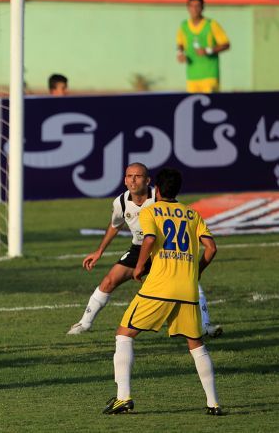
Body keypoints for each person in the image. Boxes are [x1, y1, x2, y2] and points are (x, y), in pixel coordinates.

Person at [103, 167, 222, 416]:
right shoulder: (192, 213)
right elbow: (211, 248)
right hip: (187, 288)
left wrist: (138, 267)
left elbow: (148, 239)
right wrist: (197, 270)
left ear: (156, 188)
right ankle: (213, 403)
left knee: (124, 334)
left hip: (159, 286)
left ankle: (123, 397)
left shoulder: (151, 211)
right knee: (196, 345)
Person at [68, 163, 222, 337]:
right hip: (138, 249)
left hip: (162, 248)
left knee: (190, 281)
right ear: (125, 180)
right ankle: (84, 323)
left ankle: (205, 326)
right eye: (129, 176)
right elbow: (115, 225)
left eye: (138, 176)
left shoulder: (159, 197)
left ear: (148, 181)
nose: (133, 180)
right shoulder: (120, 202)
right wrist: (99, 251)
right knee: (109, 281)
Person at [176, 0, 230, 94]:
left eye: (197, 6)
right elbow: (180, 43)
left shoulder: (211, 24)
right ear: (187, 8)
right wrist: (180, 54)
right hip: (192, 76)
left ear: (203, 7)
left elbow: (226, 44)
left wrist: (208, 50)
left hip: (209, 76)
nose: (194, 9)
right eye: (192, 6)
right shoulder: (184, 26)